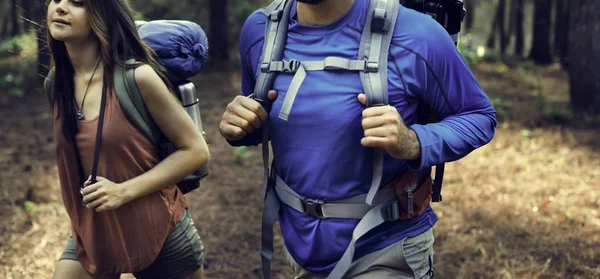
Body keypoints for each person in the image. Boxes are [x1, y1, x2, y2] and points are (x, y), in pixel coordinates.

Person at [219, 0, 496, 278]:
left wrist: (412, 141)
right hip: (299, 247)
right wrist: (243, 127)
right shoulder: (262, 31)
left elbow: (479, 116)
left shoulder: (416, 34)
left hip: (385, 248)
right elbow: (262, 113)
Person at [46, 0, 210, 278]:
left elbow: (196, 151)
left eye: (77, 3)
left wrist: (123, 191)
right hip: (94, 234)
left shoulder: (137, 78)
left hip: (160, 233)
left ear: (102, 14)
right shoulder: (57, 83)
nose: (60, 7)